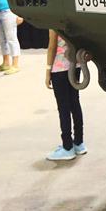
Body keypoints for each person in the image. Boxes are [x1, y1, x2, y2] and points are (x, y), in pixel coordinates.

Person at [45, 30, 86, 161]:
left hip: (59, 67)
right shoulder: (74, 20)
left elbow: (52, 47)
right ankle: (79, 143)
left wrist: (47, 71)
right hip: (76, 65)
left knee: (63, 108)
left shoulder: (54, 22)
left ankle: (67, 147)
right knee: (75, 103)